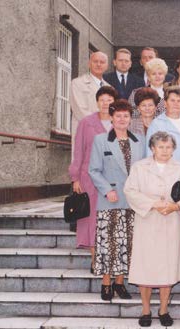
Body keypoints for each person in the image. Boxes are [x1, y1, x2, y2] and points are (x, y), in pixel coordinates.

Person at [124, 131, 180, 327]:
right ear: (152, 148)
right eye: (160, 147)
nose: (164, 151)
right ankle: (145, 310)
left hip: (171, 223)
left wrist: (176, 206)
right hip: (147, 222)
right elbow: (130, 191)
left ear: (173, 149)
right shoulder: (139, 167)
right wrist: (153, 204)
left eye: (168, 147)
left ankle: (163, 310)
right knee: (145, 268)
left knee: (168, 268)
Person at [88, 99, 146, 301]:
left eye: (126, 116)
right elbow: (93, 170)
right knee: (108, 243)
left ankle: (120, 283)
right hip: (111, 200)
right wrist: (106, 190)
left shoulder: (140, 141)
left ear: (130, 119)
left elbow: (145, 169)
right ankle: (106, 284)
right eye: (118, 116)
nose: (122, 119)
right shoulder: (101, 140)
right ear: (111, 118)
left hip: (133, 201)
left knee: (127, 243)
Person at [69, 86, 118, 272]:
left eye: (109, 100)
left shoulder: (119, 122)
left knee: (111, 218)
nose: (106, 103)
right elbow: (79, 150)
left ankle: (111, 259)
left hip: (113, 178)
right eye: (102, 100)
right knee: (91, 219)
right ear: (97, 102)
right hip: (88, 177)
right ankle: (95, 259)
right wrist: (75, 177)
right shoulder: (86, 123)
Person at [70, 51, 109, 150]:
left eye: (102, 62)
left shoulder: (110, 88)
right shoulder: (78, 83)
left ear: (107, 66)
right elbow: (80, 110)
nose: (99, 64)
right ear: (89, 63)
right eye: (95, 61)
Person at [146, 86, 180, 161]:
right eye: (172, 100)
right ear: (165, 103)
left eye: (179, 101)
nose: (176, 104)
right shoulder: (156, 125)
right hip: (168, 170)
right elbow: (149, 153)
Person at [128, 58, 168, 124]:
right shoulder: (136, 92)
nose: (157, 76)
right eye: (154, 74)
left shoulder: (171, 94)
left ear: (164, 76)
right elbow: (130, 113)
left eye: (160, 73)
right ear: (148, 77)